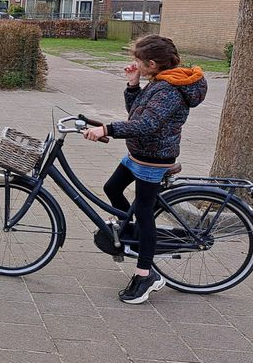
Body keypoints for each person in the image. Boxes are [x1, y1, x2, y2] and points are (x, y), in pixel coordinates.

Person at [83, 35, 207, 304]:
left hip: (154, 159)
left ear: (152, 63)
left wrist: (106, 129)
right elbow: (137, 113)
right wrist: (132, 85)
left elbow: (146, 124)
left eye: (138, 61)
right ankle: (132, 233)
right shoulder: (158, 82)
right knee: (112, 188)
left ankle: (145, 274)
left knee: (144, 211)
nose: (134, 63)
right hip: (139, 154)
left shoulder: (169, 90)